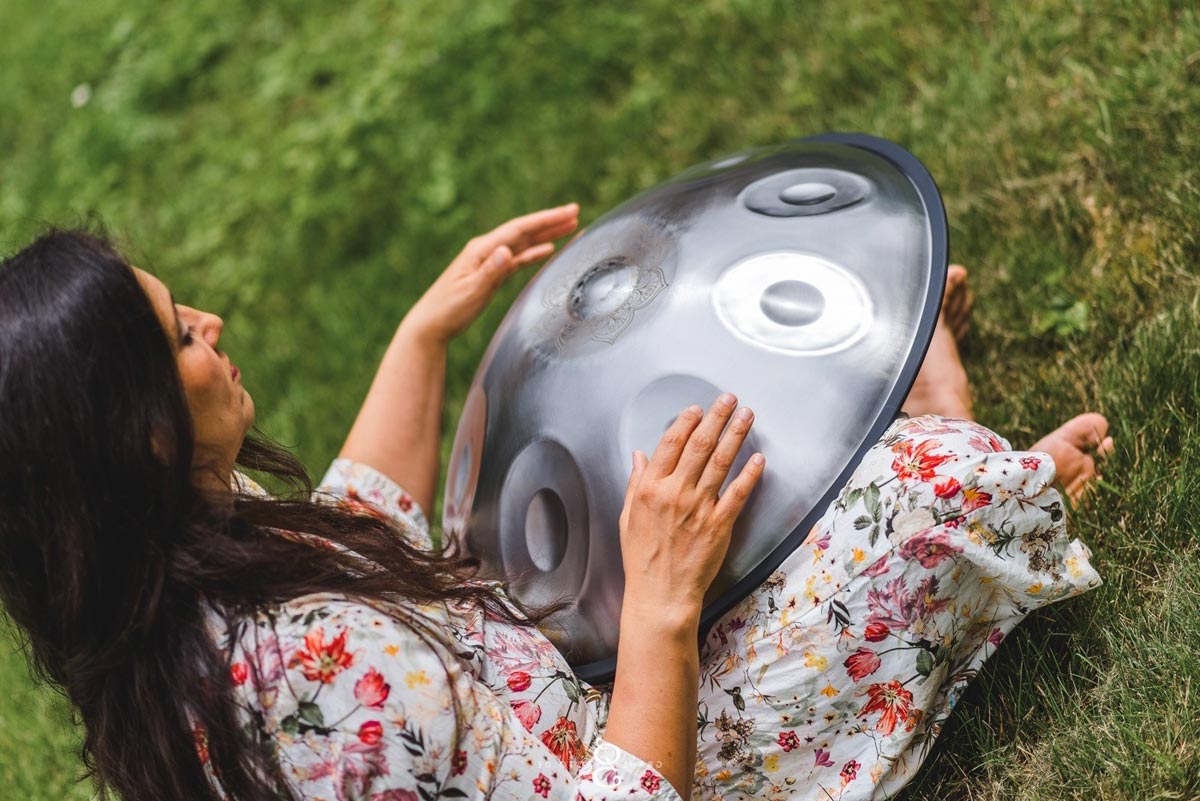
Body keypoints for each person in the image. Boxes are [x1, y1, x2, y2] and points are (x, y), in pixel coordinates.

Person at [0, 206, 1111, 801]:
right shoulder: (337, 699)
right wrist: (662, 607)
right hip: (646, 765)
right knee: (919, 500)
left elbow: (352, 525)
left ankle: (931, 443)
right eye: (182, 336)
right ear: (137, 433)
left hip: (571, 700)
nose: (215, 321)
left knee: (761, 489)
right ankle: (966, 446)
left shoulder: (175, 581)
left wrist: (419, 336)